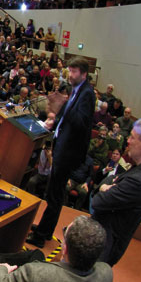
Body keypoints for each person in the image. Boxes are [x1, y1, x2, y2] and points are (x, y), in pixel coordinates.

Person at [27, 58, 95, 248]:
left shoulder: (88, 94)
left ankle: (41, 235)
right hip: (63, 147)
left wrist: (61, 107)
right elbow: (67, 119)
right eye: (69, 71)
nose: (69, 75)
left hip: (69, 152)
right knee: (52, 192)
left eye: (74, 72)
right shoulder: (76, 90)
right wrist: (54, 122)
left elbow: (81, 123)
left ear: (83, 74)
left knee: (55, 195)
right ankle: (45, 229)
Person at [91, 117, 141, 265]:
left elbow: (97, 201)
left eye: (132, 137)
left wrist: (106, 187)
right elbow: (109, 182)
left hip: (102, 247)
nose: (128, 141)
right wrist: (108, 186)